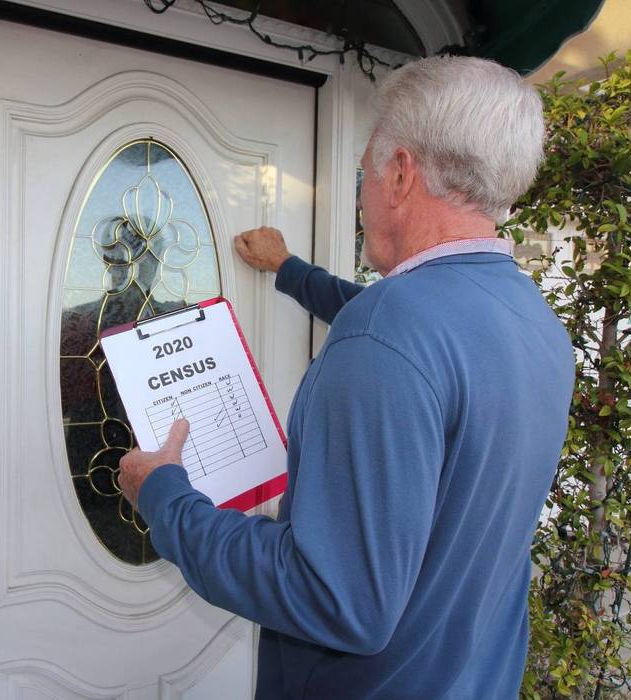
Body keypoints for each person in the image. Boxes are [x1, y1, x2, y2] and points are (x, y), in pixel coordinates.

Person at [118, 55, 574, 699]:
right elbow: (414, 339)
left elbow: (336, 599)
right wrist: (290, 271)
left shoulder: (386, 336)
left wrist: (165, 497)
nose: (359, 193)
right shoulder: (531, 320)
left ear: (399, 172)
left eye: (361, 172)